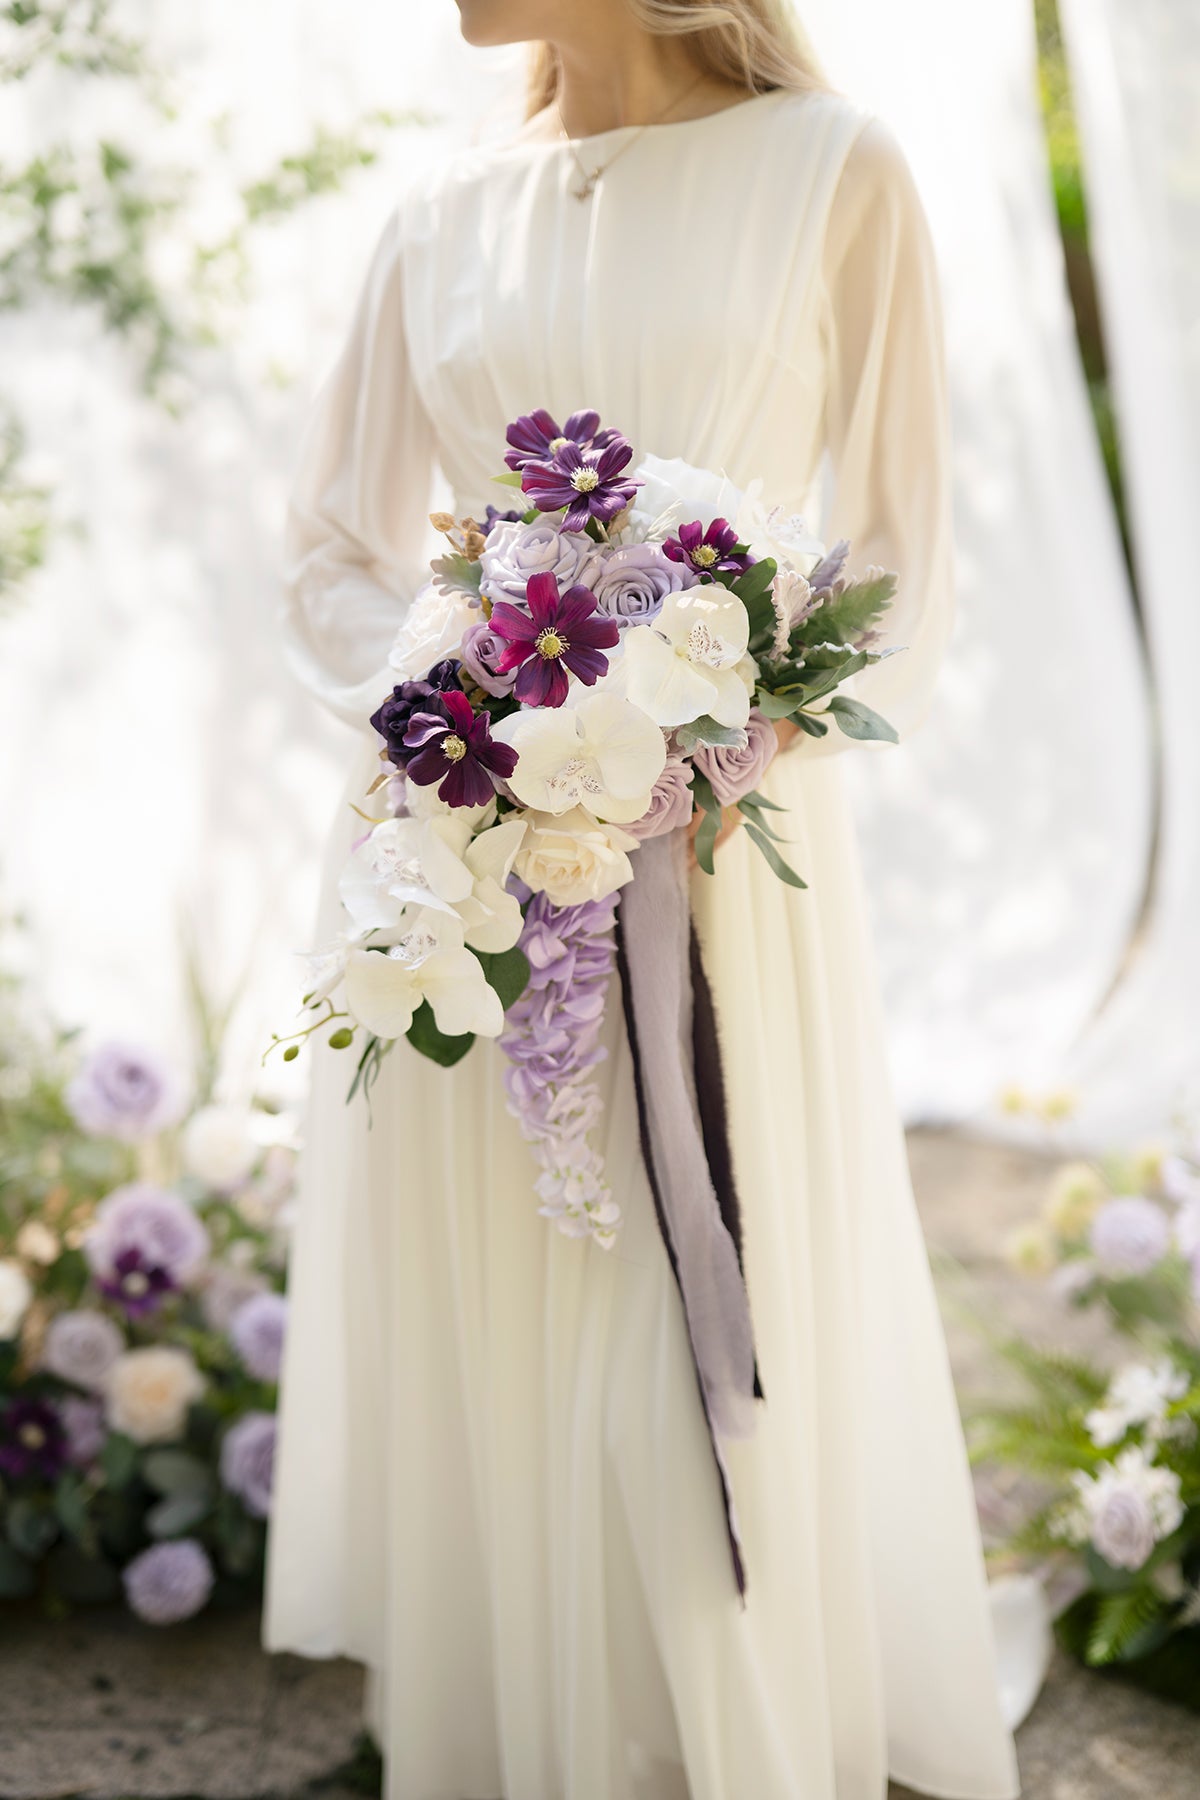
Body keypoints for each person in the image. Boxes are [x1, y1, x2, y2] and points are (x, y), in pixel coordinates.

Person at [266, 4, 1021, 1796]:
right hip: (463, 862)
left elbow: (904, 547)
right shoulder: (434, 216)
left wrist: (719, 737)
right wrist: (467, 712)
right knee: (516, 1289)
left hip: (722, 873)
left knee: (691, 1290)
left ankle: (725, 1728)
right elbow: (329, 550)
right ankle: (532, 1729)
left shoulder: (836, 171)